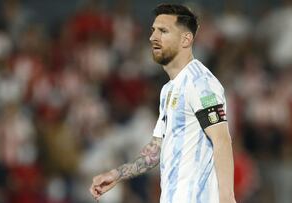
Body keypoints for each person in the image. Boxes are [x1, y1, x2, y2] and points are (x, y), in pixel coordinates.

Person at [90, 4, 236, 203]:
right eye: (153, 31)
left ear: (186, 39)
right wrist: (117, 175)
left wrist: (227, 198)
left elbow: (221, 140)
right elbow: (155, 150)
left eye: (163, 31)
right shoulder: (168, 90)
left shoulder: (200, 83)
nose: (153, 37)